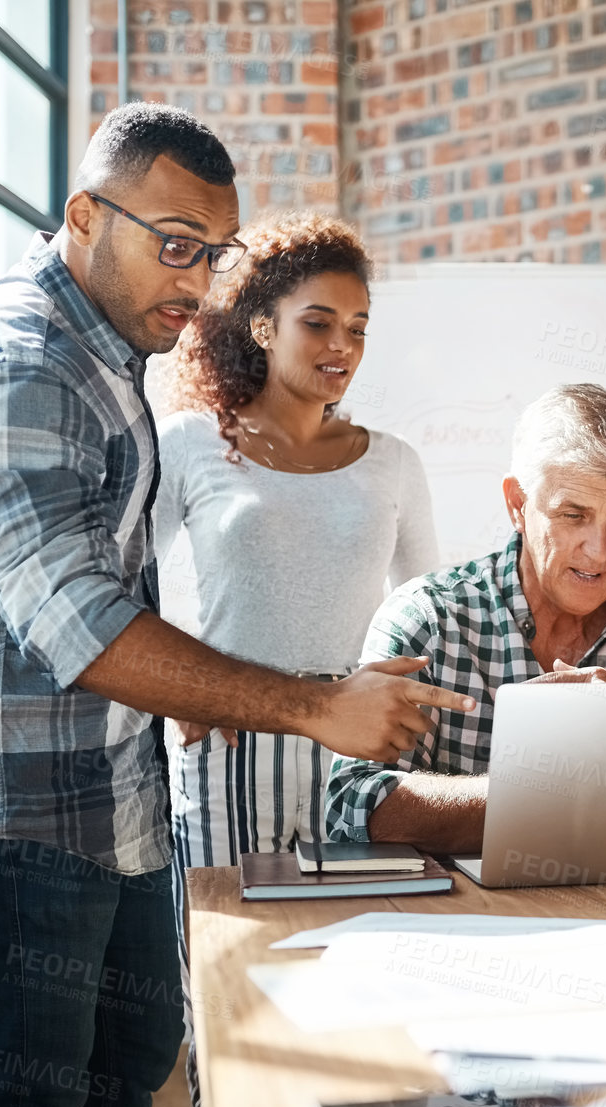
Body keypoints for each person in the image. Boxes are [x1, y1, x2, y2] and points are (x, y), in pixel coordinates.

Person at [0, 103, 472, 1107]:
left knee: (129, 1070)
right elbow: (76, 618)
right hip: (12, 810)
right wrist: (309, 703)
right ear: (85, 217)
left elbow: (120, 587)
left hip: (119, 799)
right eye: (175, 244)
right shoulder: (22, 362)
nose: (195, 283)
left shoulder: (102, 356)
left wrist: (194, 694)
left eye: (213, 253)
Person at [324, 383, 606, 852]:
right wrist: (550, 795)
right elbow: (352, 810)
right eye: (573, 515)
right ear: (517, 505)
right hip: (468, 919)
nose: (599, 549)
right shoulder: (430, 619)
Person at [155, 211, 436, 867]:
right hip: (231, 740)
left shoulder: (393, 462)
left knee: (358, 949)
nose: (342, 344)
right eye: (318, 323)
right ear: (262, 326)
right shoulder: (190, 443)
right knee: (228, 953)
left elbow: (428, 609)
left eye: (358, 328)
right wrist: (180, 688)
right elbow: (123, 578)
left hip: (359, 741)